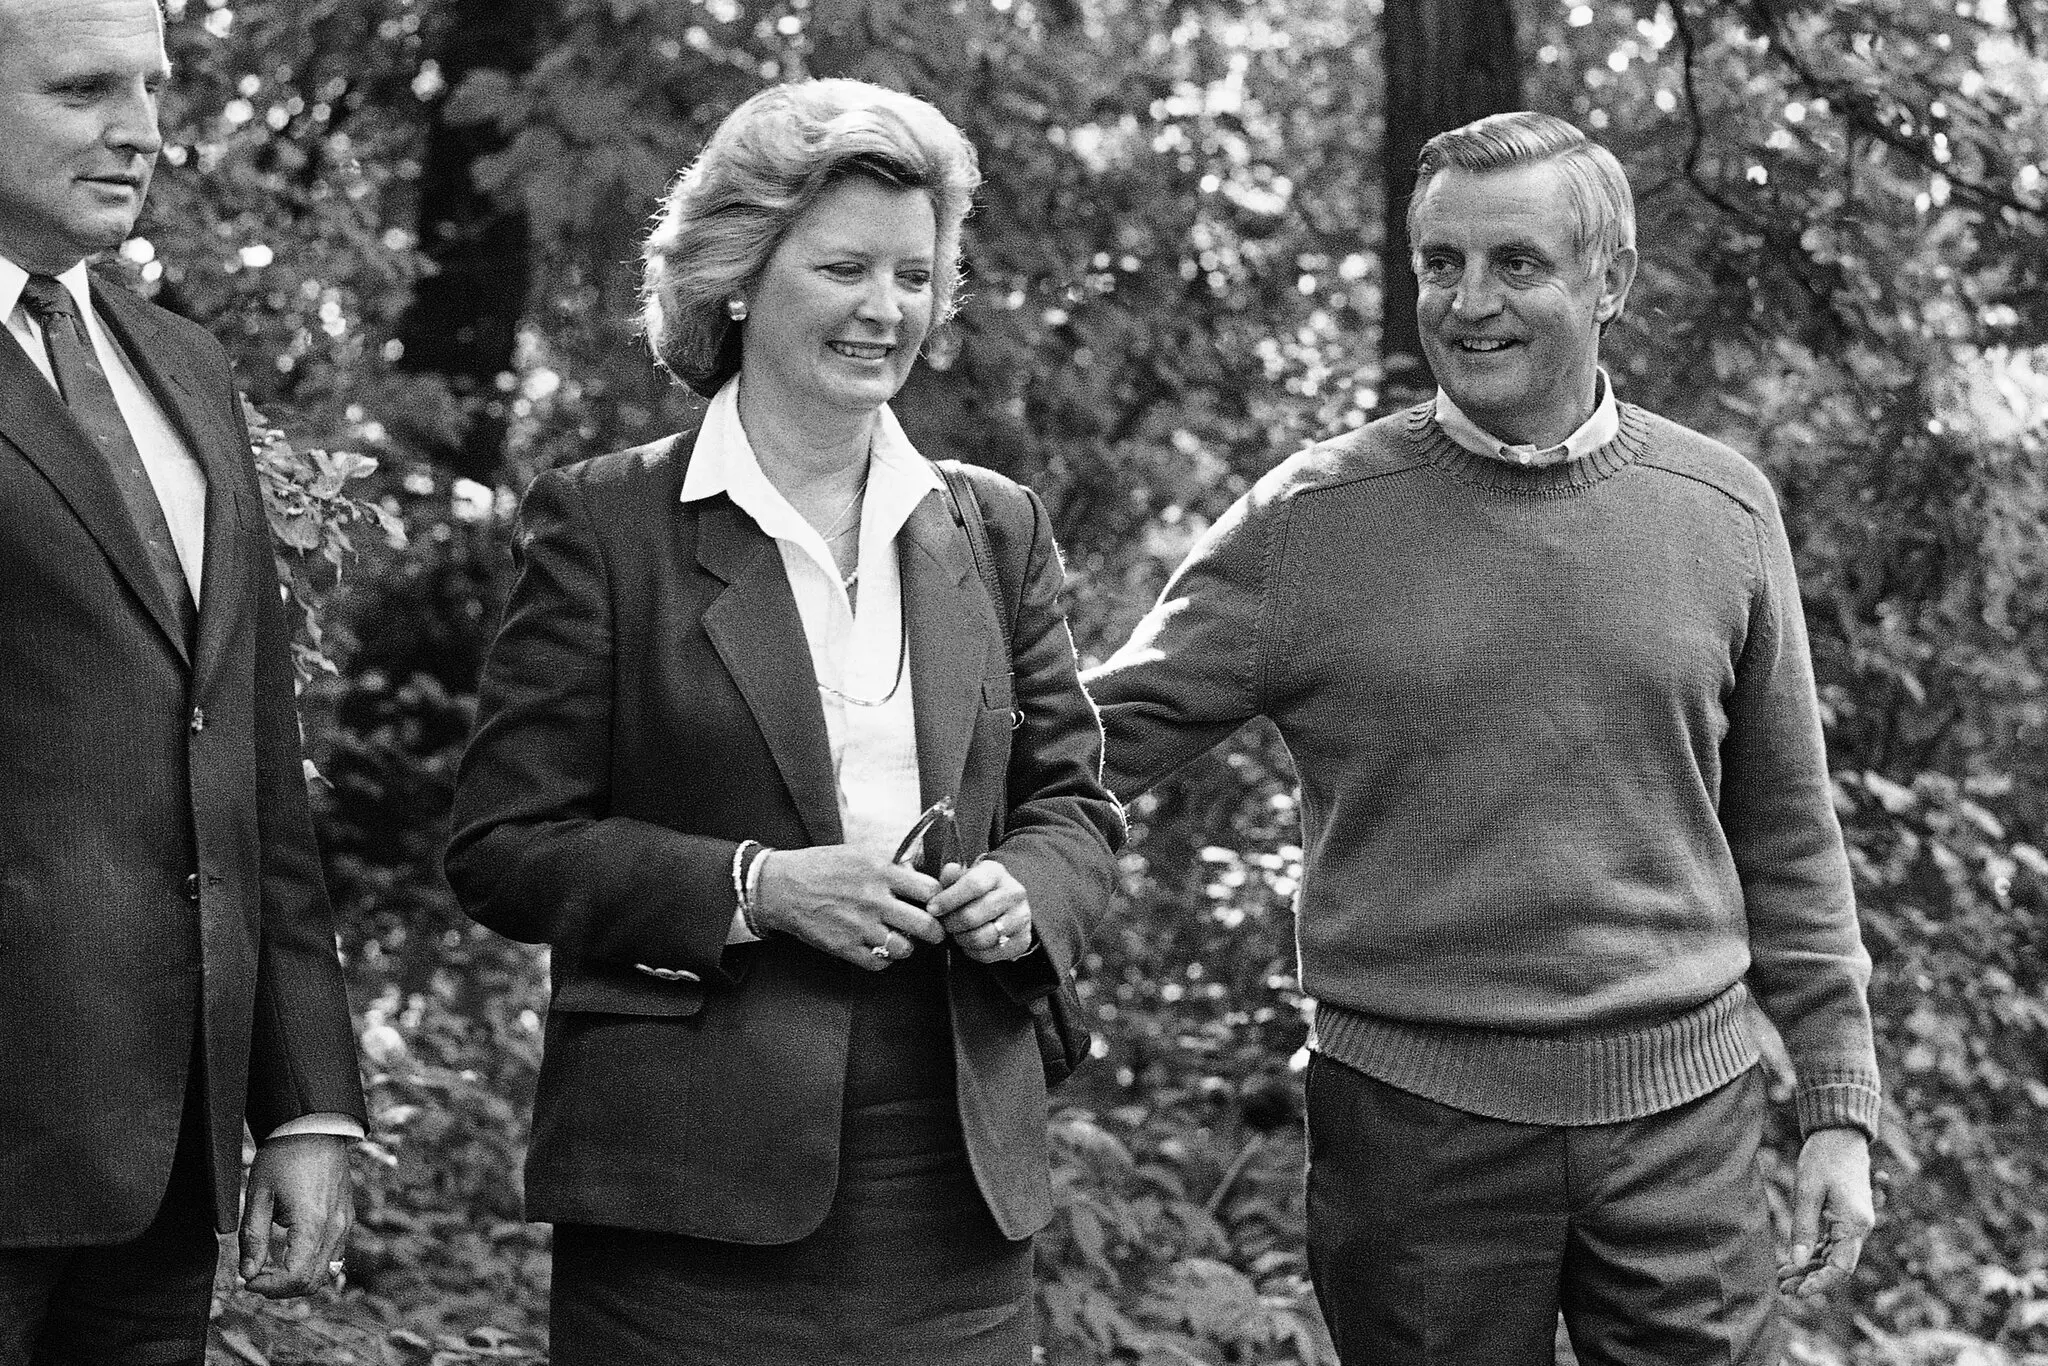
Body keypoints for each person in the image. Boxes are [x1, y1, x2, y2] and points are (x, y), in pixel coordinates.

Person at [1085, 110, 1880, 1365]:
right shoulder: (1313, 518)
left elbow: (1785, 831)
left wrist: (1836, 1105)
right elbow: (1091, 741)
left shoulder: (1719, 509)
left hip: (1682, 1131)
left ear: (1608, 280)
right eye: (1438, 263)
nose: (1468, 302)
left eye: (1515, 262)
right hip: (1410, 1137)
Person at [445, 78, 1121, 1366]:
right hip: (680, 1198)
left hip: (953, 1189)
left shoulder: (994, 525)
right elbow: (504, 847)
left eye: (914, 276)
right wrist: (757, 887)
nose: (886, 309)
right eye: (845, 268)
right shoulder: (605, 525)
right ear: (740, 278)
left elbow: (1073, 805)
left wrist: (1027, 891)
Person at [0, 0, 365, 1359]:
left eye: (153, 86)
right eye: (85, 88)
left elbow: (248, 745)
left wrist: (306, 1095)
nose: (141, 128)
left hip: (161, 1161)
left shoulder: (185, 364)